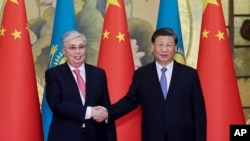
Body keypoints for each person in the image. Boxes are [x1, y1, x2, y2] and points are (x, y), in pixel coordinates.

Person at [105, 27, 207, 141]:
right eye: (160, 45)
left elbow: (199, 113)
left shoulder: (189, 75)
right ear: (153, 47)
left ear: (175, 48)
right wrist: (107, 112)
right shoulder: (141, 75)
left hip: (183, 136)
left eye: (168, 45)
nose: (164, 49)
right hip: (153, 136)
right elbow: (130, 101)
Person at [45, 30, 117, 141]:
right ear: (64, 51)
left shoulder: (98, 74)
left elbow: (105, 107)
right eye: (72, 48)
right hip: (65, 137)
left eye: (81, 47)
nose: (78, 52)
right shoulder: (54, 74)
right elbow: (57, 105)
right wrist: (90, 112)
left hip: (96, 136)